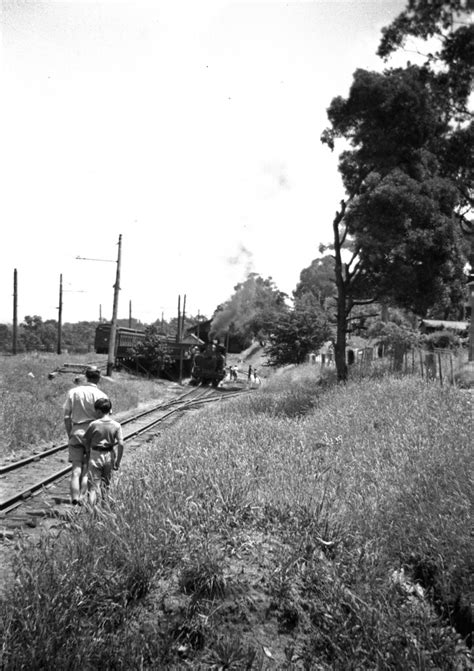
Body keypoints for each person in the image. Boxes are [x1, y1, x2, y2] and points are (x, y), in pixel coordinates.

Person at [63, 366, 108, 505]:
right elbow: (105, 419)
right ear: (98, 378)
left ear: (86, 376)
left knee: (76, 468)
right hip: (93, 434)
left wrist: (70, 433)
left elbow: (66, 416)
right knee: (88, 468)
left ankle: (74, 497)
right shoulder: (102, 395)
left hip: (76, 431)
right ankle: (83, 497)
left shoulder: (73, 392)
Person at [83, 398, 124, 506]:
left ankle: (91, 513)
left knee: (92, 487)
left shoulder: (93, 424)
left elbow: (86, 440)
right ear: (109, 410)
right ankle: (105, 510)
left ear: (99, 411)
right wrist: (118, 461)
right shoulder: (116, 425)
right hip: (109, 456)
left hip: (95, 455)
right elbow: (121, 444)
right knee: (106, 485)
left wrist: (88, 454)